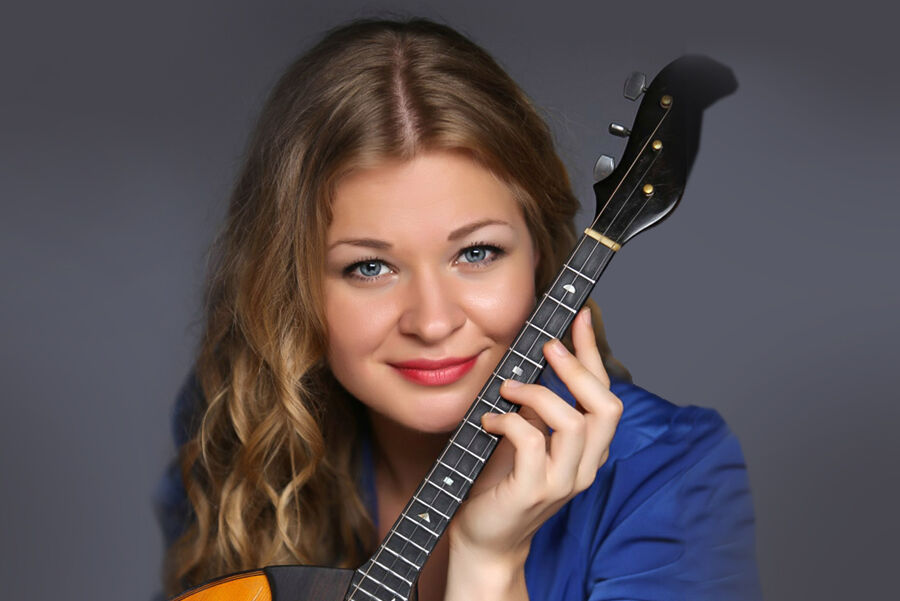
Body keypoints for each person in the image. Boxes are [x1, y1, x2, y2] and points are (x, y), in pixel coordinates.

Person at [156, 18, 761, 601]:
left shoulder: (674, 479)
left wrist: (489, 565)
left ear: (539, 258)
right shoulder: (241, 430)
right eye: (370, 267)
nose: (433, 322)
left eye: (476, 253)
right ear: (293, 288)